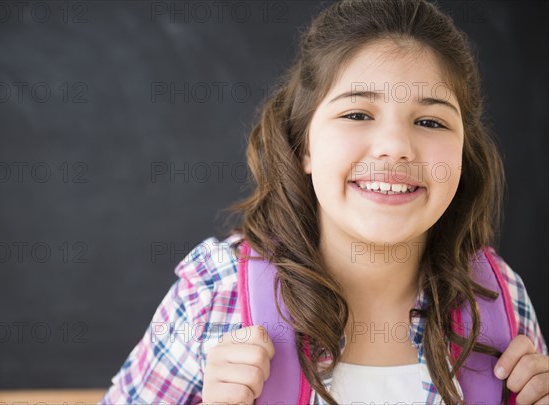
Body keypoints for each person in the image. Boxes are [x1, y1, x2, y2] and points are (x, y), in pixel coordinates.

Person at [99, 0, 549, 404]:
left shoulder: (499, 299)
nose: (395, 146)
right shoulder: (215, 294)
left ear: (463, 156)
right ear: (304, 147)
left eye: (430, 121)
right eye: (357, 114)